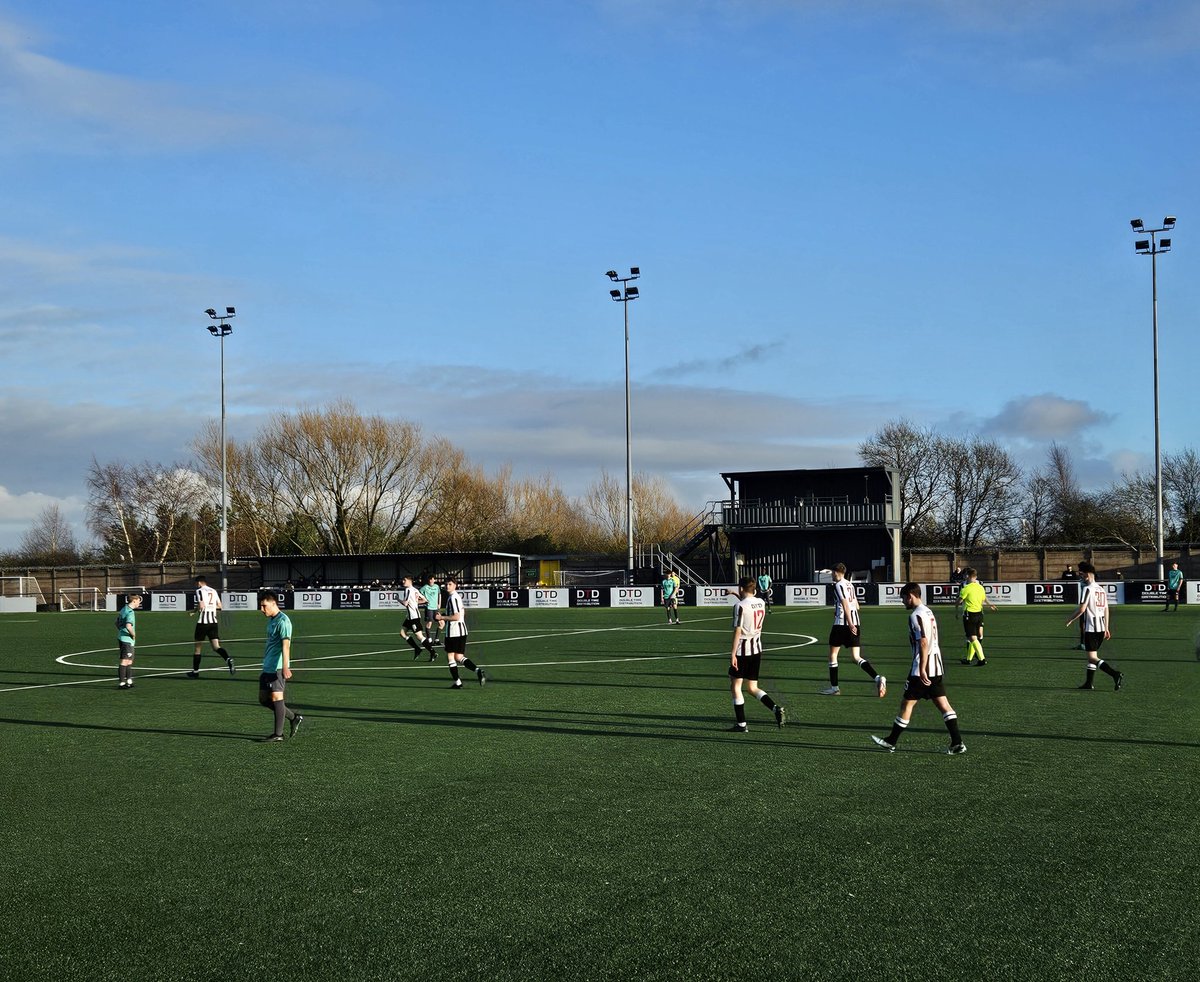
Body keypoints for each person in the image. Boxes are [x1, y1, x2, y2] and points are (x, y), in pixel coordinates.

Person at [871, 583, 965, 755]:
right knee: (943, 704)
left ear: (911, 596)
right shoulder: (928, 611)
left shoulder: (915, 615)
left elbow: (922, 642)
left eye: (903, 598)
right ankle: (957, 742)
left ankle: (891, 741)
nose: (902, 602)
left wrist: (921, 669)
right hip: (936, 667)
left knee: (907, 703)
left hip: (922, 668)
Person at [726, 578, 785, 732]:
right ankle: (775, 708)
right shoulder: (761, 602)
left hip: (742, 651)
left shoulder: (738, 606)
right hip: (756, 649)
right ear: (754, 589)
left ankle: (741, 725)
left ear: (740, 588)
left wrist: (733, 654)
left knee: (735, 686)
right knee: (752, 687)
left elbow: (738, 630)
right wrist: (735, 594)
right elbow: (748, 604)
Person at [821, 563, 886, 697]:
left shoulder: (839, 585)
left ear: (836, 572)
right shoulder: (850, 584)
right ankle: (878, 678)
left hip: (842, 624)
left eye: (832, 572)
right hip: (856, 622)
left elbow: (845, 603)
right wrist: (853, 622)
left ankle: (834, 688)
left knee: (833, 655)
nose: (832, 575)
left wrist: (849, 623)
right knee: (856, 657)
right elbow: (856, 605)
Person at [1066, 561, 1124, 691]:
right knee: (1092, 655)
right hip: (1101, 628)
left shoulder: (1087, 589)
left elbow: (1082, 609)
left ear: (1087, 574)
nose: (1080, 576)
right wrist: (1107, 628)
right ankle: (1088, 683)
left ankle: (1115, 674)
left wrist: (1070, 619)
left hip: (1091, 628)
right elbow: (1106, 609)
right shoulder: (1101, 589)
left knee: (1092, 657)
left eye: (1081, 574)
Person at [256, 591, 302, 742]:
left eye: (264, 606)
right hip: (267, 666)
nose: (262, 609)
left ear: (274, 603)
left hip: (278, 667)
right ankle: (293, 717)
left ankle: (278, 734)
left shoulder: (283, 621)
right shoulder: (271, 620)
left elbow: (286, 646)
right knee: (263, 699)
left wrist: (286, 667)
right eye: (260, 606)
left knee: (277, 698)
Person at [436, 576, 486, 688]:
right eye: (446, 584)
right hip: (462, 631)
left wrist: (442, 618)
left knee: (450, 657)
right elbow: (462, 613)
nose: (447, 586)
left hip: (454, 632)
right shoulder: (457, 597)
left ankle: (458, 683)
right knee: (459, 657)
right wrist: (444, 617)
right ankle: (478, 670)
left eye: (449, 584)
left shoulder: (453, 598)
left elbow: (456, 616)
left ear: (455, 585)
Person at [187, 575, 234, 678]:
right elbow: (220, 606)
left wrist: (195, 611)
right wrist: (211, 607)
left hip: (203, 623)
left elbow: (202, 605)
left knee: (197, 649)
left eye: (196, 583)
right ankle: (228, 659)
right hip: (213, 622)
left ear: (199, 583)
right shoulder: (213, 591)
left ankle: (195, 672)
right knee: (216, 647)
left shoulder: (199, 591)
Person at [955, 567, 998, 666]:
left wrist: (956, 606)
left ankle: (981, 659)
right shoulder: (980, 587)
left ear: (968, 576)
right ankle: (968, 659)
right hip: (979, 613)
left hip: (969, 614)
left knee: (973, 637)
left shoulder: (966, 588)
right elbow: (983, 599)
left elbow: (960, 600)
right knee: (973, 637)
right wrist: (989, 604)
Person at [399, 575, 438, 661]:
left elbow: (405, 603)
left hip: (414, 617)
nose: (403, 581)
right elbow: (425, 600)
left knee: (419, 636)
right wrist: (415, 602)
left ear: (409, 581)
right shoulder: (415, 590)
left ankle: (433, 652)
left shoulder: (408, 590)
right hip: (409, 617)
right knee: (402, 633)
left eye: (404, 580)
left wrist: (398, 599)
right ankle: (417, 649)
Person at [116, 593, 142, 689]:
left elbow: (116, 622)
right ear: (134, 601)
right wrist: (133, 634)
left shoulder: (124, 609)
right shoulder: (130, 612)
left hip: (122, 638)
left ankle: (129, 680)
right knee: (124, 661)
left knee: (129, 661)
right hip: (127, 640)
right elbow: (128, 626)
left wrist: (121, 631)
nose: (139, 603)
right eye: (138, 601)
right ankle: (122, 683)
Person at [420, 574, 443, 643]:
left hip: (436, 608)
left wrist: (439, 604)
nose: (431, 580)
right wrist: (424, 599)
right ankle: (429, 639)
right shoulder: (425, 587)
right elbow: (418, 593)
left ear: (434, 580)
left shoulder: (437, 586)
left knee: (441, 623)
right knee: (429, 623)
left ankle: (436, 639)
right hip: (429, 608)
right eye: (430, 579)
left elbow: (439, 594)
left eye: (432, 579)